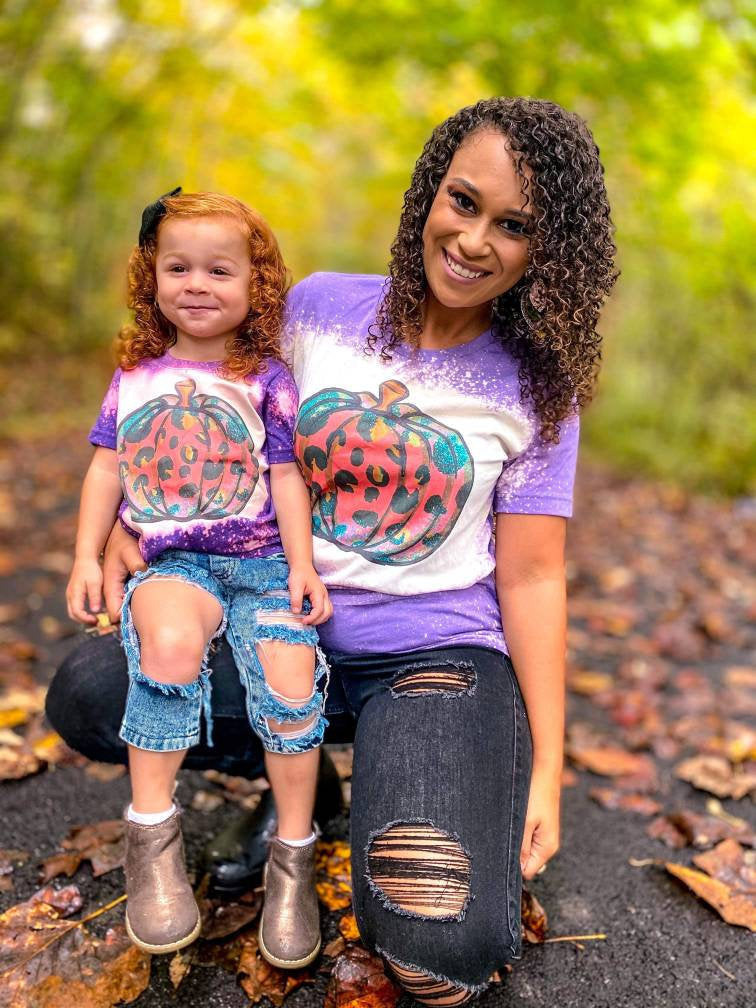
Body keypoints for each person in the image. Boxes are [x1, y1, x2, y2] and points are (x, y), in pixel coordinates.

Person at [50, 97, 616, 1003]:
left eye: (514, 227)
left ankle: (399, 775)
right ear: (429, 192)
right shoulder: (318, 310)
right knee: (91, 692)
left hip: (433, 657)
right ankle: (307, 780)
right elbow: (213, 407)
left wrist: (548, 764)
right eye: (463, 203)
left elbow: (535, 573)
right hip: (273, 615)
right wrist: (129, 521)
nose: (474, 241)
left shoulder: (539, 388)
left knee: (442, 951)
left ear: (548, 251)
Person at [64, 190, 331, 967]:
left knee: (288, 677)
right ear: (152, 278)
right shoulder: (136, 374)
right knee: (171, 647)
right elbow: (105, 469)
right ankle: (151, 840)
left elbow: (287, 479)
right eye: (178, 267)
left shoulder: (267, 379)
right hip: (172, 561)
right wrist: (88, 553)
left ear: (257, 286)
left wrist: (303, 564)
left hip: (262, 562)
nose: (197, 284)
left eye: (220, 270)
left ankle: (292, 856)